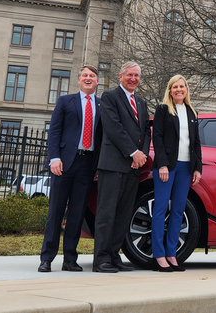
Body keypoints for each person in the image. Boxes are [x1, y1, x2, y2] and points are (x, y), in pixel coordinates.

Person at [38, 65, 101, 273]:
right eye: (85, 75)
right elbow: (54, 131)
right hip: (63, 164)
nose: (88, 78)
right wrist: (53, 158)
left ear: (97, 81)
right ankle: (46, 258)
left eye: (92, 75)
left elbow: (103, 139)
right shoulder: (66, 101)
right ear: (79, 80)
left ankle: (70, 259)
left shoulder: (102, 105)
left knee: (77, 213)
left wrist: (98, 166)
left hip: (87, 165)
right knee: (56, 212)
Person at [92, 61, 151, 273]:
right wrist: (133, 152)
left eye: (136, 75)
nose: (133, 78)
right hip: (113, 164)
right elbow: (113, 127)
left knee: (124, 213)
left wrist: (141, 154)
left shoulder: (141, 103)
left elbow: (145, 130)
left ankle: (114, 255)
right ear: (120, 76)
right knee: (107, 212)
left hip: (133, 167)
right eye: (129, 75)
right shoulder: (109, 97)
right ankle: (100, 259)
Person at [151, 75, 202, 272]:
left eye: (182, 86)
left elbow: (196, 142)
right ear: (170, 90)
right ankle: (159, 255)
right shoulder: (163, 109)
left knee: (178, 211)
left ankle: (171, 254)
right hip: (167, 167)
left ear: (186, 89)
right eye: (175, 87)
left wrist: (197, 167)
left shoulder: (191, 111)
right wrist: (162, 164)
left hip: (185, 167)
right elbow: (158, 137)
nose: (178, 90)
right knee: (161, 209)